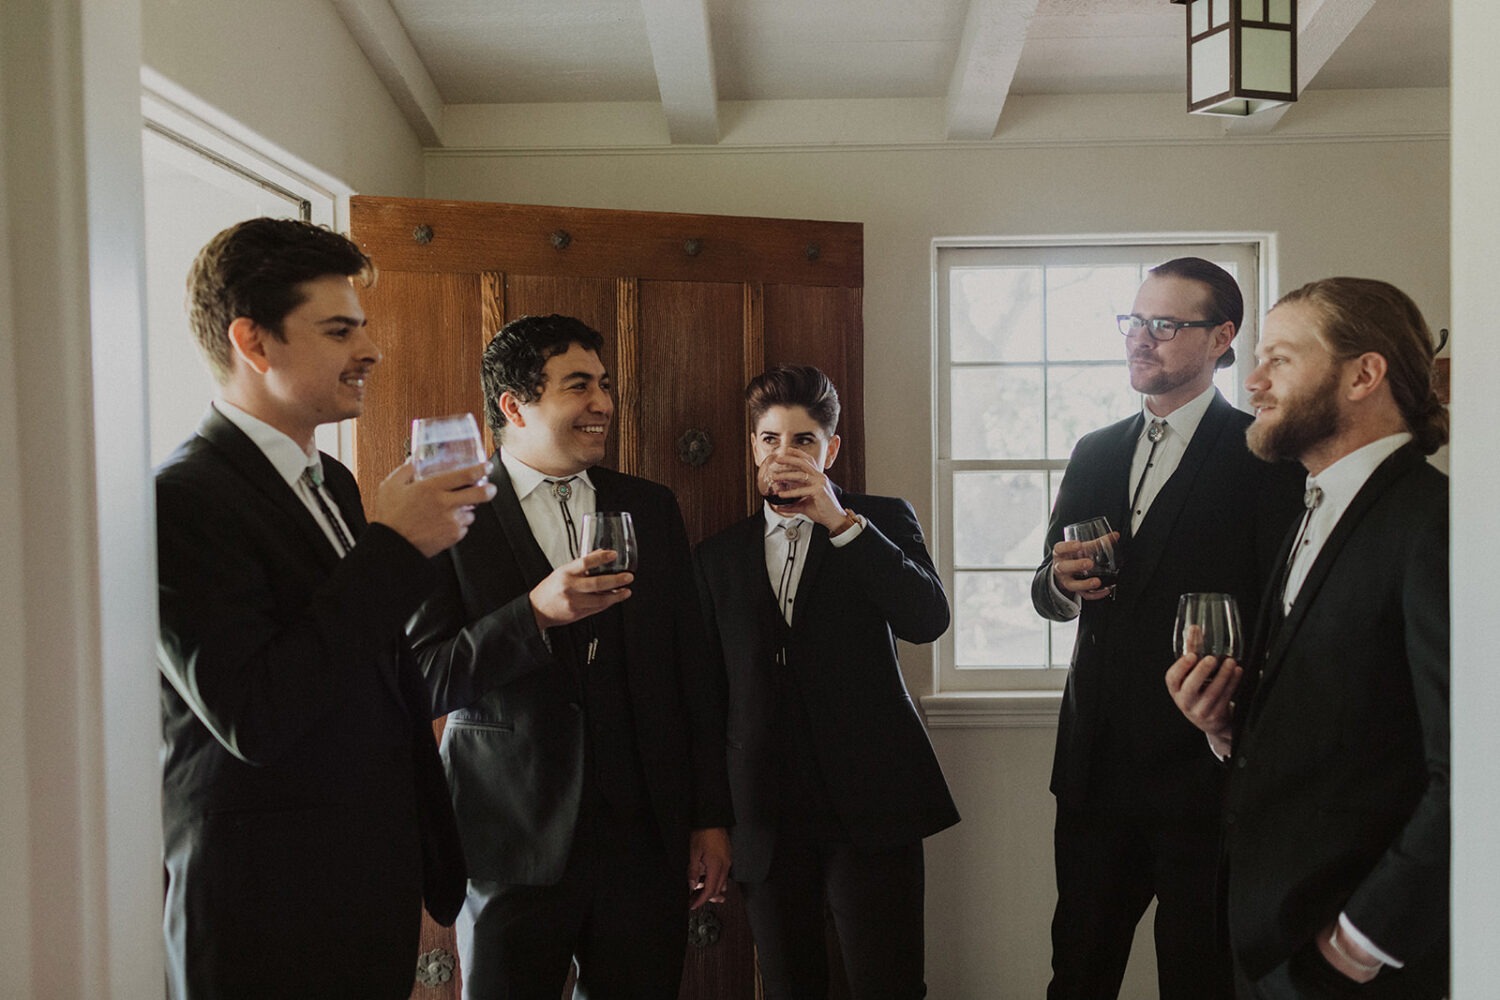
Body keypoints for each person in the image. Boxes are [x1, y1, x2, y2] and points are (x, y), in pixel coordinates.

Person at [157, 218, 492, 999]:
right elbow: (255, 712)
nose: (370, 351)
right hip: (263, 914)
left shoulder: (336, 485)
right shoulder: (180, 500)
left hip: (358, 894)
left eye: (363, 329)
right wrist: (396, 551)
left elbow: (366, 669)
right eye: (340, 330)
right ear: (254, 341)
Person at [406, 313, 734, 998]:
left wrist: (709, 816)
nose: (604, 403)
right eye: (579, 385)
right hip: (509, 840)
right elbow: (425, 679)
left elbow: (694, 673)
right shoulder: (448, 515)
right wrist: (534, 614)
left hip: (645, 840)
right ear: (514, 405)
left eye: (605, 385)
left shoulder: (650, 506)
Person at [1167, 277, 1449, 998]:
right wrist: (1227, 726)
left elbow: (1480, 772)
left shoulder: (1436, 526)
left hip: (1361, 963)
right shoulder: (1312, 510)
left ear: (1364, 374)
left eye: (1280, 360)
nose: (1252, 381)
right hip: (1273, 945)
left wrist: (1356, 946)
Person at [1033, 258, 1305, 999]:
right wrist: (1058, 581)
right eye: (1134, 321)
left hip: (1205, 779)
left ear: (1222, 337)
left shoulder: (1266, 457)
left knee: (1200, 980)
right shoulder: (1094, 451)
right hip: (1093, 772)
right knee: (1077, 976)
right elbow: (1046, 590)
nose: (1140, 340)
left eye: (1165, 324)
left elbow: (1286, 614)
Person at [692, 365, 959, 999]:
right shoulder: (716, 557)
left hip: (871, 800)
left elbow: (927, 620)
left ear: (830, 448)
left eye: (803, 440)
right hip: (763, 813)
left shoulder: (880, 520)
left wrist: (841, 523)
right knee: (789, 987)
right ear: (752, 447)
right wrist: (710, 821)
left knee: (889, 985)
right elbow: (704, 699)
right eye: (769, 439)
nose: (785, 454)